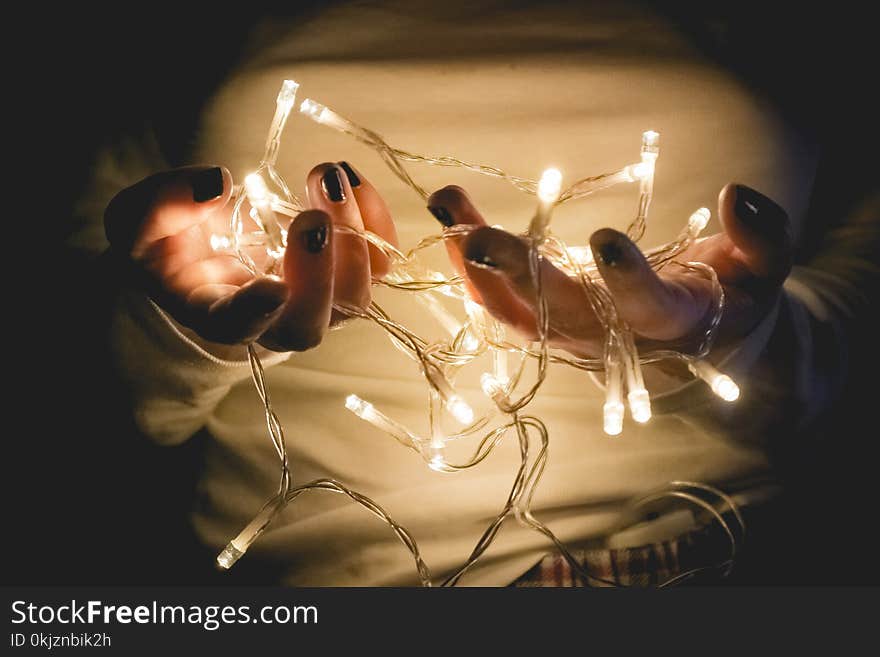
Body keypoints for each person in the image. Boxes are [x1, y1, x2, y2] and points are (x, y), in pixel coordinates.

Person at [79, 1, 877, 585]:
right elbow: (79, 415)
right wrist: (183, 330)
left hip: (718, 560)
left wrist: (732, 342)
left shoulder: (805, 30)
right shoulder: (174, 39)